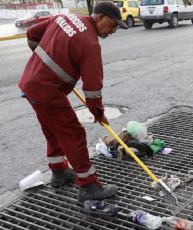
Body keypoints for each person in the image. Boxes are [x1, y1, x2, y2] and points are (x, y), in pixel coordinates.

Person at [18, 2, 128, 205]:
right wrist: (98, 113)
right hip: (46, 90)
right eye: (112, 25)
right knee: (73, 133)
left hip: (31, 83)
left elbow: (32, 34)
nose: (113, 31)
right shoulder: (90, 44)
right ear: (101, 17)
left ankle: (59, 172)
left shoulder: (65, 18)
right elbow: (93, 90)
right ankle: (89, 186)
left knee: (54, 129)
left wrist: (43, 64)